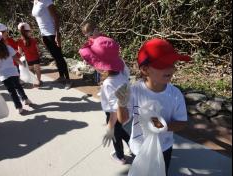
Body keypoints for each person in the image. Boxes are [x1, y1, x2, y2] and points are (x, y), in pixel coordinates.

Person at [115, 38, 190, 174]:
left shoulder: (175, 94)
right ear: (145, 69)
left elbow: (182, 123)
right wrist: (121, 103)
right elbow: (123, 119)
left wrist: (163, 126)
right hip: (139, 146)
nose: (171, 68)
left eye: (172, 63)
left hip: (164, 147)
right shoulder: (135, 91)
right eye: (163, 65)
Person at [79, 36, 130, 164]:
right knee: (120, 130)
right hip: (125, 109)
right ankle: (133, 145)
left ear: (102, 68)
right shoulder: (122, 68)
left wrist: (109, 127)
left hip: (115, 114)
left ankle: (120, 156)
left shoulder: (108, 84)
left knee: (115, 135)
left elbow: (113, 111)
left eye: (95, 64)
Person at [32, 0, 71, 89]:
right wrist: (42, 35)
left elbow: (56, 17)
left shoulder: (47, 1)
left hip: (52, 33)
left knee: (59, 57)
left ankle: (68, 80)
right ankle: (61, 76)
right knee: (55, 56)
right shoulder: (35, 2)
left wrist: (57, 34)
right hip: (44, 34)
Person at [0, 32, 32, 114]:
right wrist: (22, 65)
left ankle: (19, 107)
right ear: (2, 40)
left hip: (3, 75)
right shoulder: (8, 48)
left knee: (11, 91)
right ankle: (25, 99)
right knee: (18, 86)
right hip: (13, 71)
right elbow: (16, 58)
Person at [17, 22, 42, 87]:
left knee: (31, 71)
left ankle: (34, 82)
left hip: (28, 59)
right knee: (38, 70)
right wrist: (40, 52)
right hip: (36, 58)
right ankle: (38, 82)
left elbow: (19, 52)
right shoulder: (33, 40)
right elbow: (38, 49)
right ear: (28, 32)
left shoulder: (19, 41)